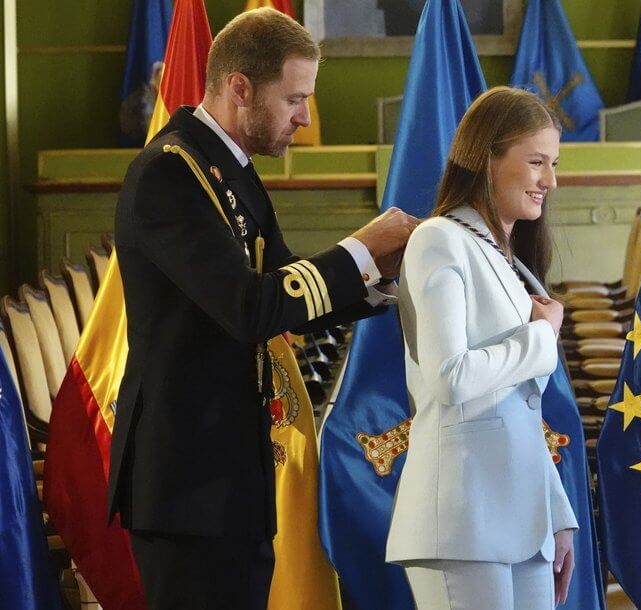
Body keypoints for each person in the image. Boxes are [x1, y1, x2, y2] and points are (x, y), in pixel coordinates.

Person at [106, 8, 419, 610]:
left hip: (233, 471)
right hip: (184, 479)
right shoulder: (170, 174)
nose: (304, 116)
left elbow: (289, 299)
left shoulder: (234, 170)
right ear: (240, 88)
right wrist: (362, 246)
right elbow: (250, 308)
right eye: (295, 98)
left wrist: (385, 278)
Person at [386, 86, 578, 609]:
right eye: (536, 162)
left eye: (553, 163)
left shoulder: (510, 259)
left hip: (524, 517)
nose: (550, 181)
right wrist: (541, 337)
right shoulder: (439, 238)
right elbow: (451, 377)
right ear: (485, 158)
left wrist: (557, 514)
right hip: (461, 517)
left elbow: (521, 407)